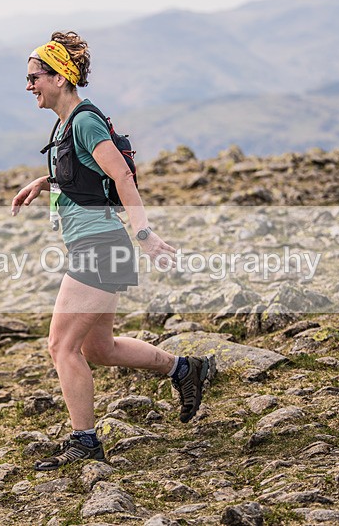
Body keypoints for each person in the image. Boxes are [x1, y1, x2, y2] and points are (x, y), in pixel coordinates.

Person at [11, 31, 214, 471]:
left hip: (100, 248)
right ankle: (185, 369)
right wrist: (44, 182)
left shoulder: (84, 120)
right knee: (97, 349)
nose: (29, 86)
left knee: (60, 346)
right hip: (94, 245)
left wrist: (144, 235)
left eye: (34, 77)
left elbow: (122, 176)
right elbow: (88, 175)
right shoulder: (66, 124)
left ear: (60, 77)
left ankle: (84, 441)